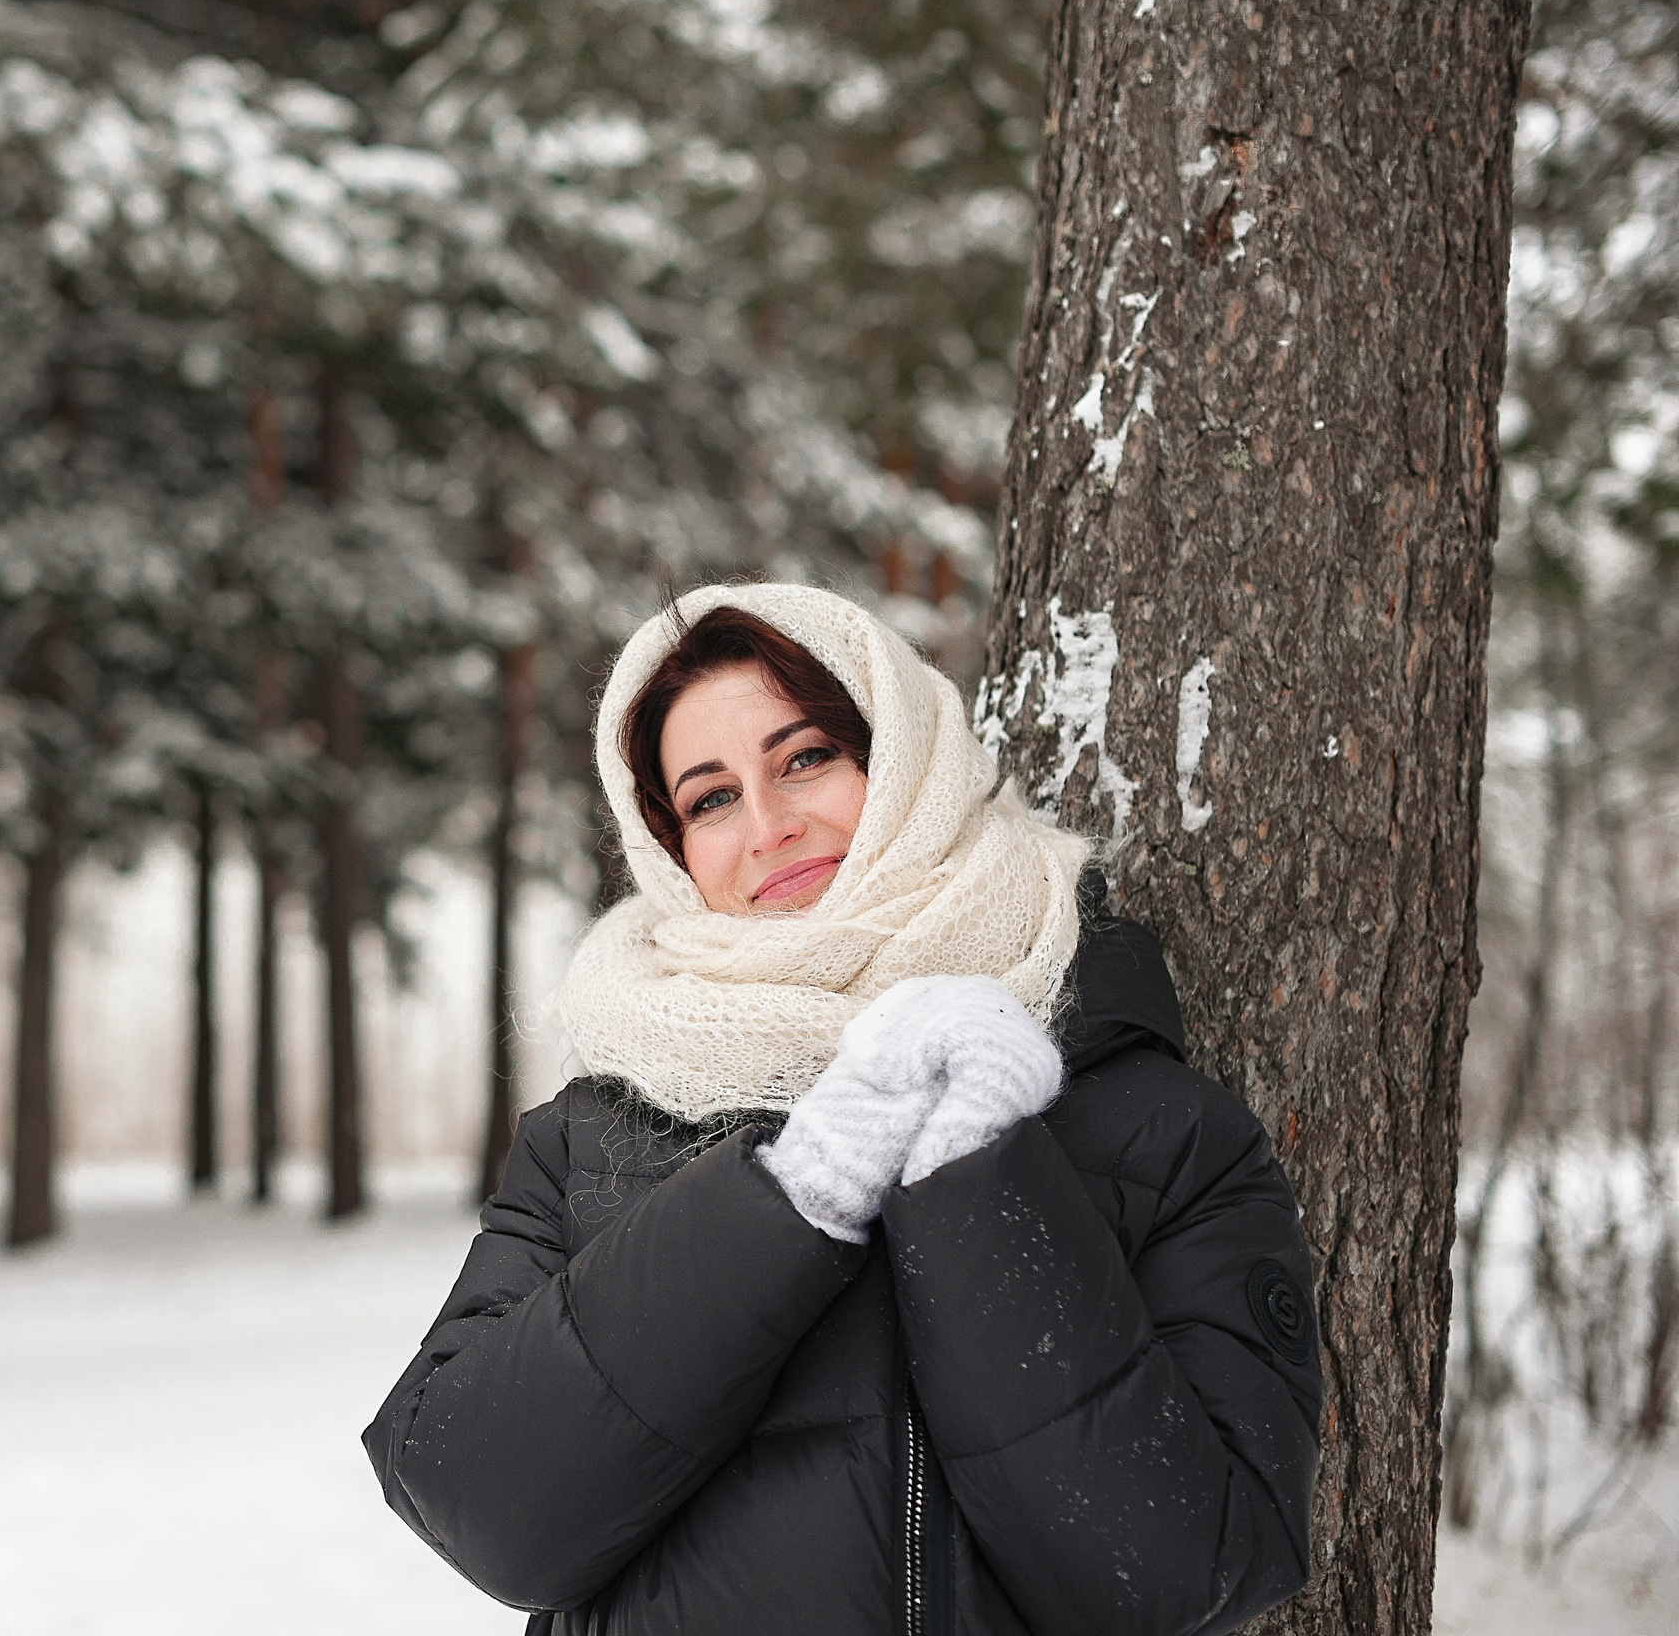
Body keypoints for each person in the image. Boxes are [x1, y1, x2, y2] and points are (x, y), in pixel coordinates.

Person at [363, 583, 1321, 1636]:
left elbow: (1191, 1574)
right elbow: (486, 1511)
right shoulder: (587, 1139)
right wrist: (789, 1195)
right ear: (670, 844)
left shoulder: (1159, 1130)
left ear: (903, 758)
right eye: (710, 797)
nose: (768, 826)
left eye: (806, 756)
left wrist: (975, 1175)